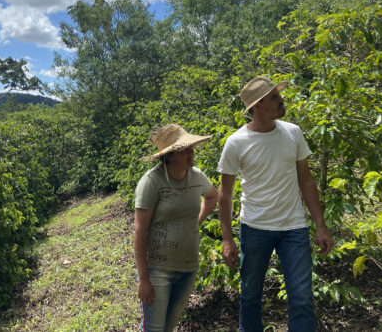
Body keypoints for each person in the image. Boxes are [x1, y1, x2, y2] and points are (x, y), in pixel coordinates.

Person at [217, 76, 334, 332]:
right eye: (274, 97)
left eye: (278, 95)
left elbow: (306, 181)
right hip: (255, 228)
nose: (281, 100)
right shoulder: (236, 142)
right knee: (249, 296)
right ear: (256, 106)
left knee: (302, 298)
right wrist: (227, 239)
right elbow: (224, 194)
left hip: (294, 228)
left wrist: (320, 225)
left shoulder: (292, 132)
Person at [134, 124, 218, 332]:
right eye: (184, 148)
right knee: (154, 328)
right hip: (158, 270)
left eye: (190, 147)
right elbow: (139, 230)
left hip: (188, 267)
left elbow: (212, 196)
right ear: (169, 155)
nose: (191, 151)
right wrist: (144, 279)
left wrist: (195, 222)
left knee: (169, 326)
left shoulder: (197, 176)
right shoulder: (152, 181)